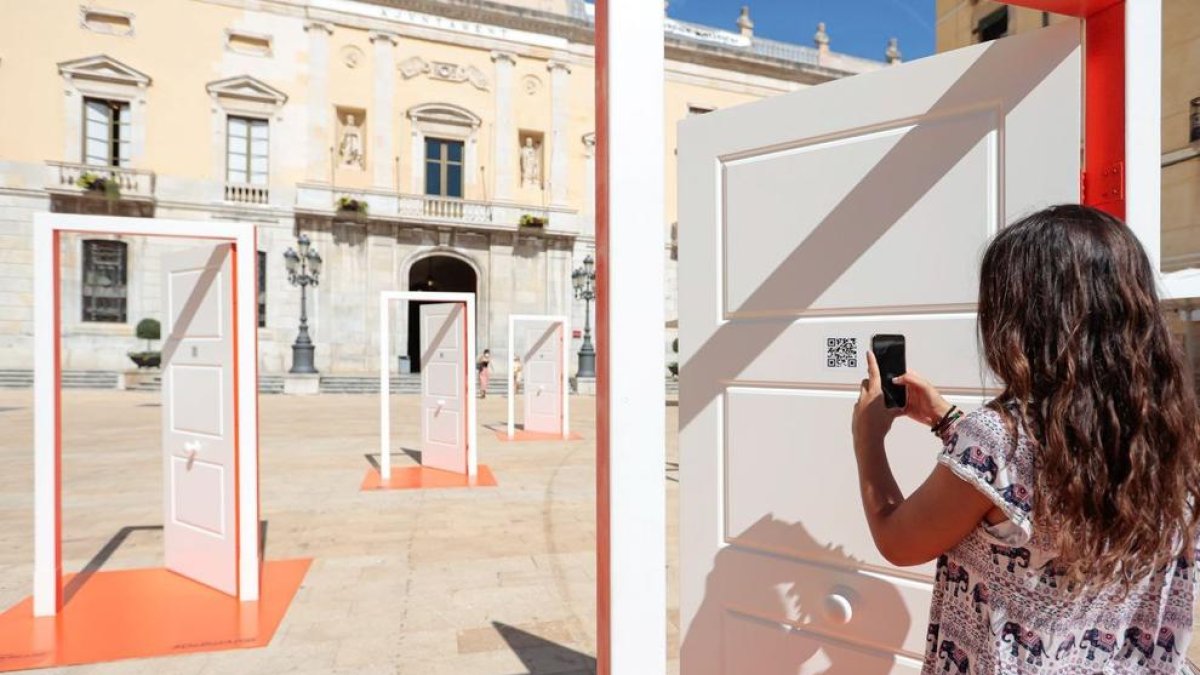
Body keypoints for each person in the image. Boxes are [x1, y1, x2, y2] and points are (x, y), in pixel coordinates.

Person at [851, 205, 1200, 674]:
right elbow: (1047, 491)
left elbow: (899, 540)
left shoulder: (999, 439)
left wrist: (867, 439)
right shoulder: (1171, 431)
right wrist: (947, 421)